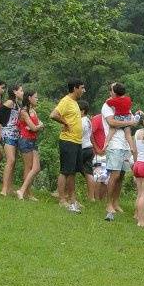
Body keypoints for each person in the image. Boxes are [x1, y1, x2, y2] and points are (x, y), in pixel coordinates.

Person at [101, 82, 140, 221]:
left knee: (122, 175)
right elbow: (112, 122)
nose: (109, 92)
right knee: (115, 175)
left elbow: (129, 119)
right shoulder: (107, 106)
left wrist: (129, 122)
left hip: (124, 145)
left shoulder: (121, 103)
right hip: (115, 144)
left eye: (111, 90)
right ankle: (109, 204)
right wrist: (128, 123)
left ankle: (116, 202)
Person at [51, 79, 86, 213]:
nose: (83, 90)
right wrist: (65, 123)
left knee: (73, 172)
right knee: (65, 171)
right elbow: (54, 114)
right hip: (68, 141)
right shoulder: (66, 101)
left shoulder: (75, 103)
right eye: (82, 88)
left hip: (76, 141)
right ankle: (62, 199)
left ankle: (72, 198)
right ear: (75, 88)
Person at [15, 90, 44, 200]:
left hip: (33, 140)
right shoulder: (24, 111)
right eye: (35, 97)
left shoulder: (33, 111)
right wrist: (37, 126)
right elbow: (34, 127)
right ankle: (24, 191)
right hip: (25, 140)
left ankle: (25, 191)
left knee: (35, 168)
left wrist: (37, 127)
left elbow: (39, 126)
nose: (37, 99)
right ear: (29, 98)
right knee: (30, 167)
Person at [0, 84, 23, 197]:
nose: (22, 92)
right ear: (14, 92)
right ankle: (4, 189)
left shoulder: (18, 104)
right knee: (10, 160)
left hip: (16, 134)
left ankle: (10, 187)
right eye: (21, 90)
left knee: (13, 162)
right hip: (7, 134)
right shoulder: (10, 102)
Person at [105, 82, 139, 160]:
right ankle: (131, 147)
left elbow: (108, 102)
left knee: (112, 129)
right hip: (127, 117)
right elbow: (129, 105)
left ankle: (106, 142)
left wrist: (110, 100)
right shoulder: (128, 99)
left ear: (115, 93)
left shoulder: (115, 101)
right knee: (128, 134)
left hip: (118, 117)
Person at [78, 100, 100, 202]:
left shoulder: (81, 121)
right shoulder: (88, 120)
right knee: (88, 172)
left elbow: (79, 134)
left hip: (82, 148)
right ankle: (91, 197)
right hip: (89, 148)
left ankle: (64, 193)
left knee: (69, 171)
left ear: (82, 111)